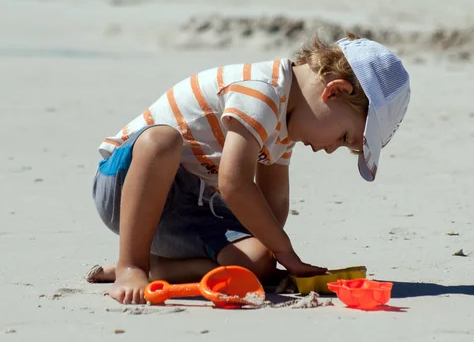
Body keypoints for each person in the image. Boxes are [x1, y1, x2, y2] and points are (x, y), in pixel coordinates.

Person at [88, 32, 411, 304]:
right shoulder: (260, 92)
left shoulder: (286, 125)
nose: (329, 149)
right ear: (335, 91)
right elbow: (235, 184)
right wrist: (286, 252)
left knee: (256, 261)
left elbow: (274, 197)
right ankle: (132, 263)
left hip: (191, 209)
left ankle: (157, 268)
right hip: (126, 187)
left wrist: (272, 257)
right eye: (343, 137)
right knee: (162, 140)